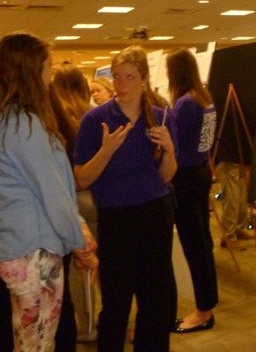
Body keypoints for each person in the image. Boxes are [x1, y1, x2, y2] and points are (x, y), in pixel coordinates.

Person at [0, 32, 97, 351]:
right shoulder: (24, 125)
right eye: (48, 66)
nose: (51, 73)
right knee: (37, 342)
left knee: (29, 338)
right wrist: (80, 243)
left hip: (15, 247)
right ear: (30, 70)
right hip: (34, 251)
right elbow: (53, 193)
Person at [74, 45, 177, 351]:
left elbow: (166, 176)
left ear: (144, 79)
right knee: (116, 301)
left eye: (130, 77)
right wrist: (106, 151)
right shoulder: (95, 120)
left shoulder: (159, 116)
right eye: (117, 76)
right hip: (116, 217)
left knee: (155, 300)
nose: (121, 84)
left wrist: (169, 150)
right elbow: (82, 178)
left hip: (156, 213)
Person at [164, 48, 219, 333]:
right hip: (201, 173)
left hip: (185, 178)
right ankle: (206, 304)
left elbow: (171, 140)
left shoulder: (185, 103)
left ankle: (203, 311)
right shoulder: (205, 98)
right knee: (202, 243)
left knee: (194, 246)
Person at [50, 65, 99, 342]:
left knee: (78, 270)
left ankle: (87, 325)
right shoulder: (94, 116)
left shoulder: (56, 119)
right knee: (98, 263)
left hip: (72, 200)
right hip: (98, 198)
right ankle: (105, 316)